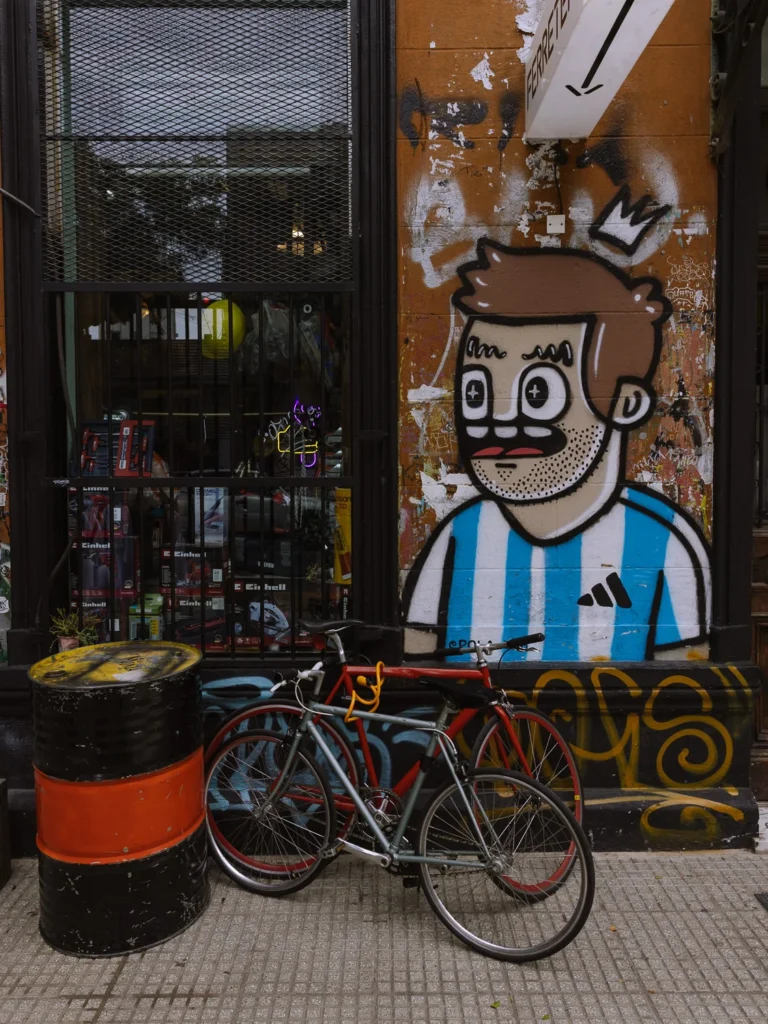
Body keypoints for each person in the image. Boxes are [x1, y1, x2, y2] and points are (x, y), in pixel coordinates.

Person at [403, 240, 711, 663]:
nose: (501, 420)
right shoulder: (459, 537)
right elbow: (416, 663)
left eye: (538, 392)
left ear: (625, 404)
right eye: (478, 391)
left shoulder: (664, 542)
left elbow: (683, 685)